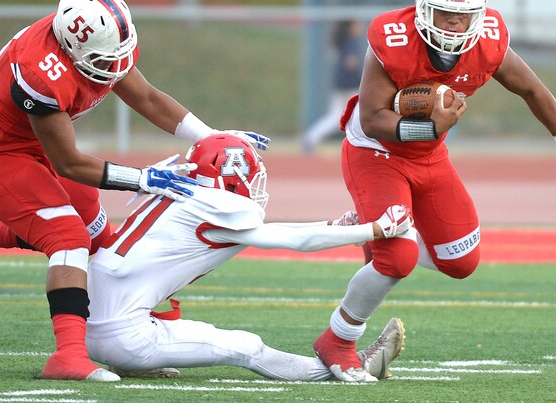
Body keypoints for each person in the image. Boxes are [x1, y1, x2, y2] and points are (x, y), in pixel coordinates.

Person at [0, 0, 269, 382]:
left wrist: (212, 137)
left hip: (36, 144)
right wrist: (142, 179)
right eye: (103, 58)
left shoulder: (96, 39)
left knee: (97, 234)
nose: (115, 65)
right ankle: (68, 356)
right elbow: (69, 163)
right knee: (67, 238)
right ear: (72, 48)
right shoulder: (40, 72)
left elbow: (147, 97)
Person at [312, 0, 556, 381]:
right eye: (445, 12)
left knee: (460, 261)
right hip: (375, 153)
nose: (455, 23)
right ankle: (338, 340)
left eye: (465, 14)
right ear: (421, 7)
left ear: (481, 12)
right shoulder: (392, 37)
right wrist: (429, 125)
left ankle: (369, 226)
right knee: (398, 258)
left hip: (429, 155)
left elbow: (530, 87)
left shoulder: (488, 39)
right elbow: (374, 116)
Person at [86, 133, 411, 382]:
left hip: (93, 322)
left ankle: (131, 362)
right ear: (231, 177)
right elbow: (294, 239)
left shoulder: (176, 190)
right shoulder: (221, 205)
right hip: (125, 333)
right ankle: (343, 369)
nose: (254, 186)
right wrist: (375, 229)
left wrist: (332, 226)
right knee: (246, 346)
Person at [303, 20, 364, 153]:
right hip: (349, 86)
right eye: (357, 24)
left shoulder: (344, 41)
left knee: (336, 116)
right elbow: (350, 63)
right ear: (350, 27)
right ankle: (361, 147)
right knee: (360, 115)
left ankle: (311, 137)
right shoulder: (350, 42)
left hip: (343, 85)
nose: (359, 27)